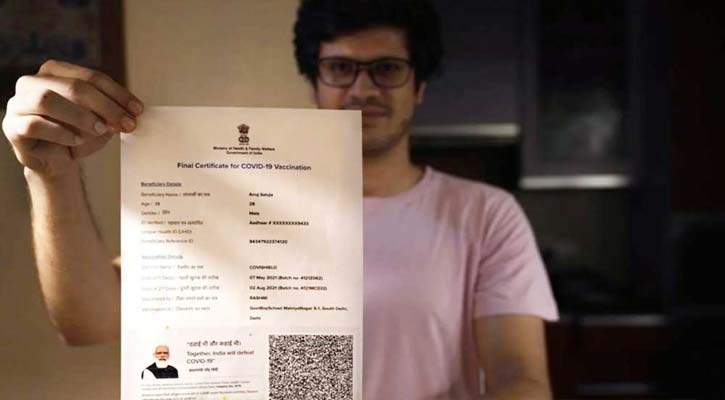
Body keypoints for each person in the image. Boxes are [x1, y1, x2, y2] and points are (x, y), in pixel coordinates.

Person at [2, 0, 558, 398]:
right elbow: (88, 323)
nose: (363, 89)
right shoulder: (237, 197)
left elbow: (519, 377)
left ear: (421, 86)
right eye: (340, 68)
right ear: (314, 81)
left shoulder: (485, 214)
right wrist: (51, 175)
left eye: (387, 69)